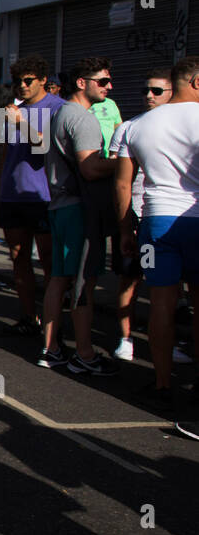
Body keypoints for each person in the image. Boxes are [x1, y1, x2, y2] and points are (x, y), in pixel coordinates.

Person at [116, 56, 199, 404]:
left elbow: (122, 185)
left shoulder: (134, 126)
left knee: (160, 302)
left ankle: (162, 383)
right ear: (195, 82)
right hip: (195, 221)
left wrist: (124, 230)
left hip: (154, 223)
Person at [37, 57, 120, 375]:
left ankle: (51, 348)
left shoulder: (61, 113)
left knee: (59, 279)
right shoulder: (82, 119)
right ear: (82, 83)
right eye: (103, 81)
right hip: (78, 208)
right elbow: (90, 167)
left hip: (60, 205)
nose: (109, 87)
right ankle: (84, 354)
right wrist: (125, 162)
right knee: (84, 282)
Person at [0, 56, 62, 336]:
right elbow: (6, 153)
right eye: (18, 81)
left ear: (43, 80)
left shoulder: (58, 108)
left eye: (28, 80)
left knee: (49, 261)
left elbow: (46, 146)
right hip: (12, 195)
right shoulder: (12, 110)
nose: (22, 86)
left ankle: (54, 322)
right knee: (18, 258)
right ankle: (29, 317)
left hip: (43, 195)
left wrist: (22, 123)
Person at [107, 68, 176, 362]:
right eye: (146, 90)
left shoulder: (182, 128)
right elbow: (118, 177)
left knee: (163, 287)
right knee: (132, 278)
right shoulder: (129, 128)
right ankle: (126, 338)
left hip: (166, 224)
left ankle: (163, 343)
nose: (149, 95)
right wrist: (125, 224)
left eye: (157, 91)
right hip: (137, 219)